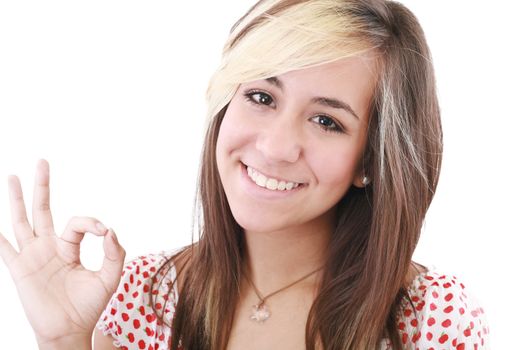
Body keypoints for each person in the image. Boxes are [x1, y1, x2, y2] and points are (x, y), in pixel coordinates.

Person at [0, 0, 491, 349]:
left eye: (327, 121)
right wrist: (62, 340)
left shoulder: (429, 319)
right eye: (261, 97)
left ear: (369, 161)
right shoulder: (147, 294)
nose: (275, 146)